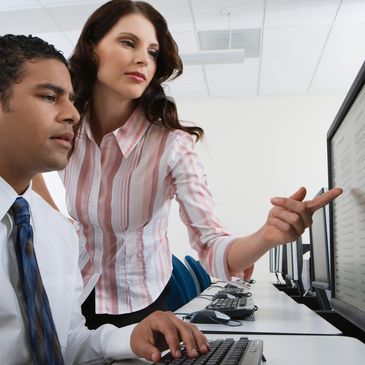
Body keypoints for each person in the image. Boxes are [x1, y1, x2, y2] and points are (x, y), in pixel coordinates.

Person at [33, 0, 343, 329]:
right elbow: (27, 161)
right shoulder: (70, 125)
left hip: (141, 307)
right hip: (76, 294)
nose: (143, 59)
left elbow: (212, 248)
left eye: (152, 52)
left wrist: (267, 236)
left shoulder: (171, 147)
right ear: (92, 48)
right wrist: (57, 221)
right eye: (128, 42)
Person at [0, 33, 209, 364]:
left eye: (70, 99)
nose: (73, 114)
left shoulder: (57, 232)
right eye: (49, 97)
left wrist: (130, 336)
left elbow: (67, 341)